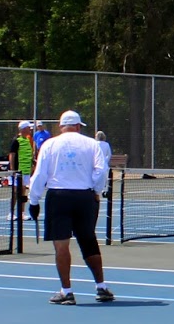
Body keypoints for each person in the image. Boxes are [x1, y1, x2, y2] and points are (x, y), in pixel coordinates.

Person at [27, 111, 114, 305]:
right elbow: (102, 170)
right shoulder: (92, 144)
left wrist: (33, 201)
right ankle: (101, 286)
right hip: (84, 196)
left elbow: (39, 175)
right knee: (89, 240)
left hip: (58, 196)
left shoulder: (49, 144)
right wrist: (95, 191)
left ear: (61, 126)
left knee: (61, 244)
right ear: (76, 126)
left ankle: (67, 291)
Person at [8, 120, 36, 223]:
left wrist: (33, 163)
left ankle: (22, 213)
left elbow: (28, 155)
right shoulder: (16, 140)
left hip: (25, 171)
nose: (30, 130)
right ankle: (11, 213)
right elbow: (12, 155)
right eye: (29, 128)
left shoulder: (28, 140)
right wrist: (13, 169)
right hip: (17, 172)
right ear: (24, 129)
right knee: (15, 192)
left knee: (23, 193)